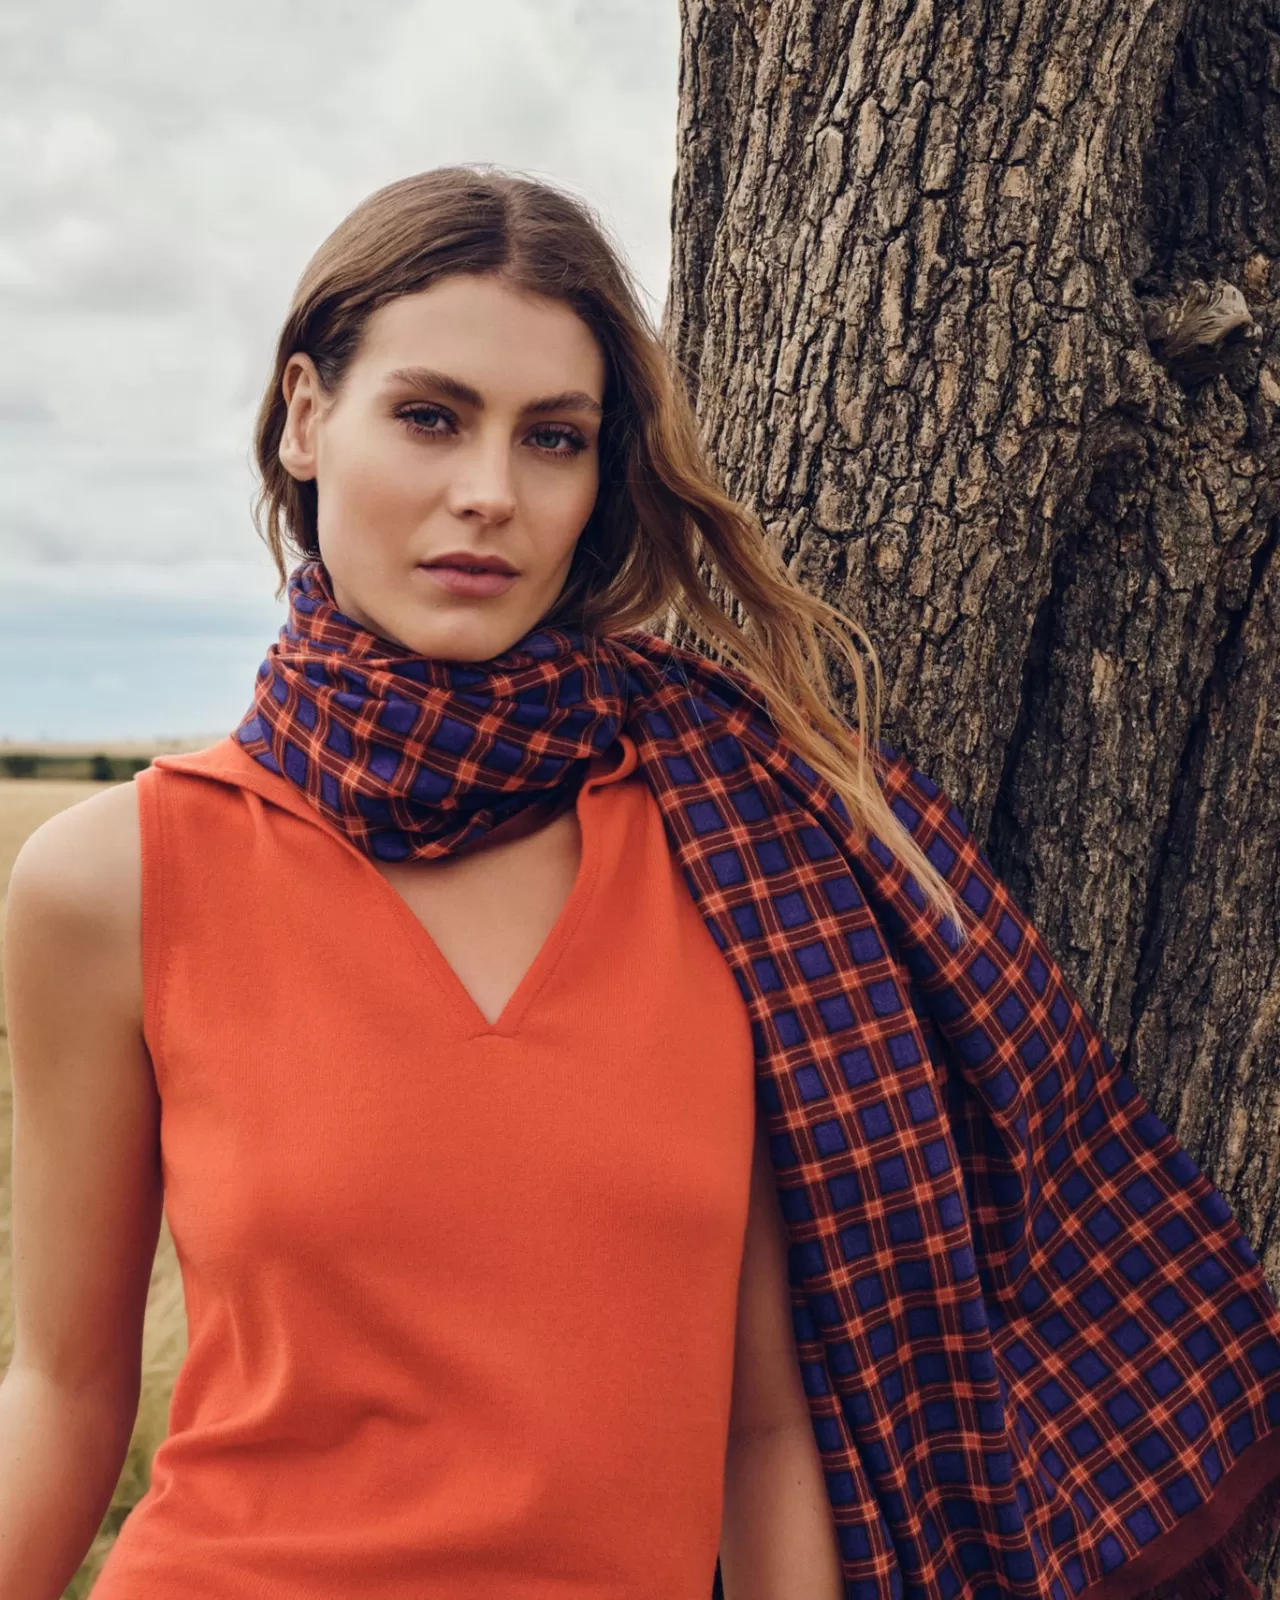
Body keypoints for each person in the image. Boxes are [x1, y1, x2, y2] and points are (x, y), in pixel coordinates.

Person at [3, 166, 1280, 1600]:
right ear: (307, 416)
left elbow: (765, 1429)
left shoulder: (730, 846)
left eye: (553, 438)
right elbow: (63, 1388)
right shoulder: (112, 884)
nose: (489, 494)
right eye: (429, 416)